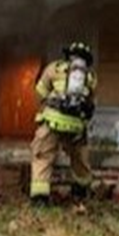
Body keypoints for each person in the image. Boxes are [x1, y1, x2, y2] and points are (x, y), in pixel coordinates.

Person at [30, 41, 97, 206]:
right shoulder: (90, 77)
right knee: (80, 157)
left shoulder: (54, 68)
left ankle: (40, 199)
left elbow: (39, 94)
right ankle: (80, 193)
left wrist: (44, 109)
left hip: (52, 121)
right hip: (75, 126)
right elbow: (89, 105)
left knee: (42, 156)